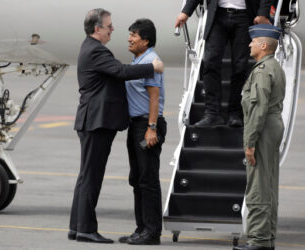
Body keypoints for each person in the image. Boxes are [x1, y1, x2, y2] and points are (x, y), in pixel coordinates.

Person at [68, 8, 164, 244]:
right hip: (97, 121)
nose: (113, 30)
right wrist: (154, 67)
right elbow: (120, 71)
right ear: (97, 28)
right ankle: (85, 229)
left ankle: (77, 227)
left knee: (87, 176)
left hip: (99, 120)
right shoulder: (96, 50)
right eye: (109, 26)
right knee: (91, 176)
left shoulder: (90, 48)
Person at [175, 0, 273, 128]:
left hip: (244, 17)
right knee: (210, 63)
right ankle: (212, 113)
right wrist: (185, 12)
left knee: (240, 67)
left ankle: (235, 113)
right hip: (218, 15)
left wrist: (263, 13)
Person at [233, 24, 284, 250]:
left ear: (263, 45)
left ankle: (259, 240)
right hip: (272, 127)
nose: (249, 44)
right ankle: (267, 238)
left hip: (262, 130)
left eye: (253, 41)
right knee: (268, 184)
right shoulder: (274, 66)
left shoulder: (262, 70)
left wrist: (250, 143)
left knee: (258, 186)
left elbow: (257, 109)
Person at [118, 19, 166, 245]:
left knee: (148, 180)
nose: (130, 38)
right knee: (137, 180)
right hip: (136, 125)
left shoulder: (150, 60)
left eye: (134, 35)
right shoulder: (138, 59)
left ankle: (152, 232)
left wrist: (151, 128)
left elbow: (154, 97)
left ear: (146, 40)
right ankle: (141, 229)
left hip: (147, 125)